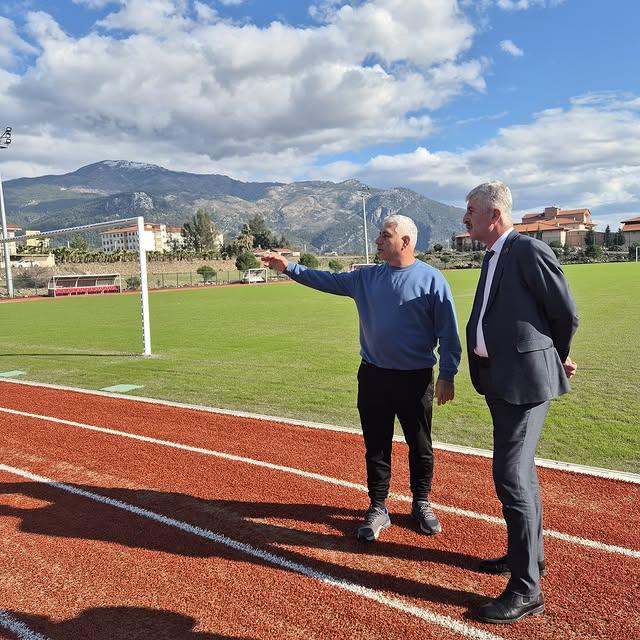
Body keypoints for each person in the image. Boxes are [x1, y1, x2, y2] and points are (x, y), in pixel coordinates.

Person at [261, 215, 461, 542]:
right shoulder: (365, 278)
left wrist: (448, 373)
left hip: (416, 380)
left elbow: (449, 335)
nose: (378, 240)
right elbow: (324, 279)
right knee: (376, 446)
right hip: (373, 377)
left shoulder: (432, 280)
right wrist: (288, 268)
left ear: (406, 242)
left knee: (420, 445)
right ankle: (379, 506)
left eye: (385, 235)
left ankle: (421, 503)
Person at [463, 181, 579, 624]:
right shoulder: (492, 255)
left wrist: (557, 353)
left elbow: (564, 312)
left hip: (526, 383)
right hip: (499, 381)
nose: (465, 218)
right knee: (522, 475)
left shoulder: (528, 251)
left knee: (510, 475)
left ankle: (527, 589)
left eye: (470, 210)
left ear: (494, 214)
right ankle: (524, 557)